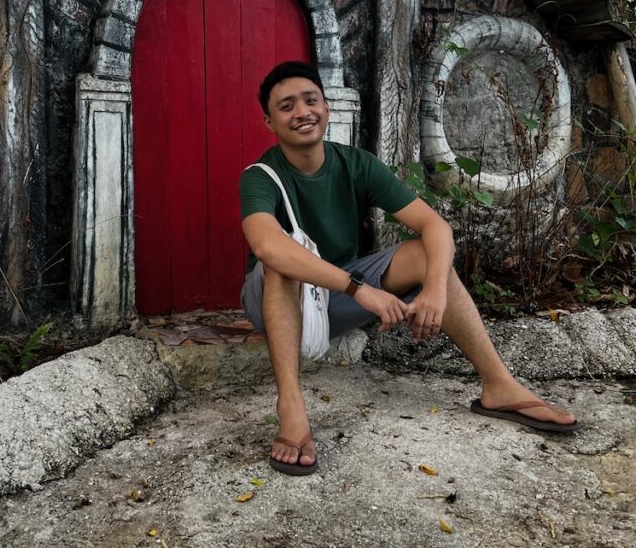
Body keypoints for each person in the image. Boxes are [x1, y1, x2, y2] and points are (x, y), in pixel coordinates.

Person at [239, 61, 578, 477]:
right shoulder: (261, 176)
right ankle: (290, 407)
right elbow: (266, 245)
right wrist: (358, 288)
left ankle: (498, 386)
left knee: (426, 254)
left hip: (336, 301)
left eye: (311, 100)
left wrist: (434, 287)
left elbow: (434, 225)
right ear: (269, 121)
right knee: (283, 261)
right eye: (286, 106)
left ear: (327, 108)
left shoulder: (356, 164)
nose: (302, 112)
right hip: (276, 301)